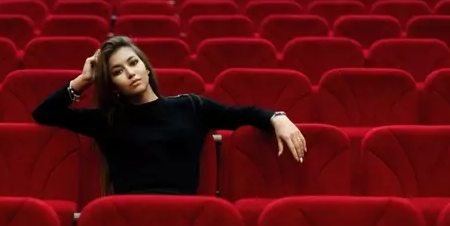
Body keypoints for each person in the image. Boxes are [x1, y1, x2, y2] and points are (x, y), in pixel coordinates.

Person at [32, 36, 307, 196]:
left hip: (186, 215)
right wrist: (82, 80)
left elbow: (241, 115)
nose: (130, 73)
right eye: (117, 72)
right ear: (113, 85)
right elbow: (45, 113)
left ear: (146, 67)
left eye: (133, 63)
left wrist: (277, 118)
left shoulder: (191, 106)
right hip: (127, 216)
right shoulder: (107, 120)